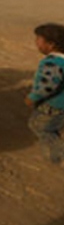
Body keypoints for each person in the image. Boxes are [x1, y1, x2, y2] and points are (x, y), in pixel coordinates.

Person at [25, 23, 64, 164]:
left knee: (40, 127)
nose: (36, 43)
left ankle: (58, 156)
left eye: (38, 40)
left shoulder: (52, 63)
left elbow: (47, 86)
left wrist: (33, 97)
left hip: (54, 106)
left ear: (51, 44)